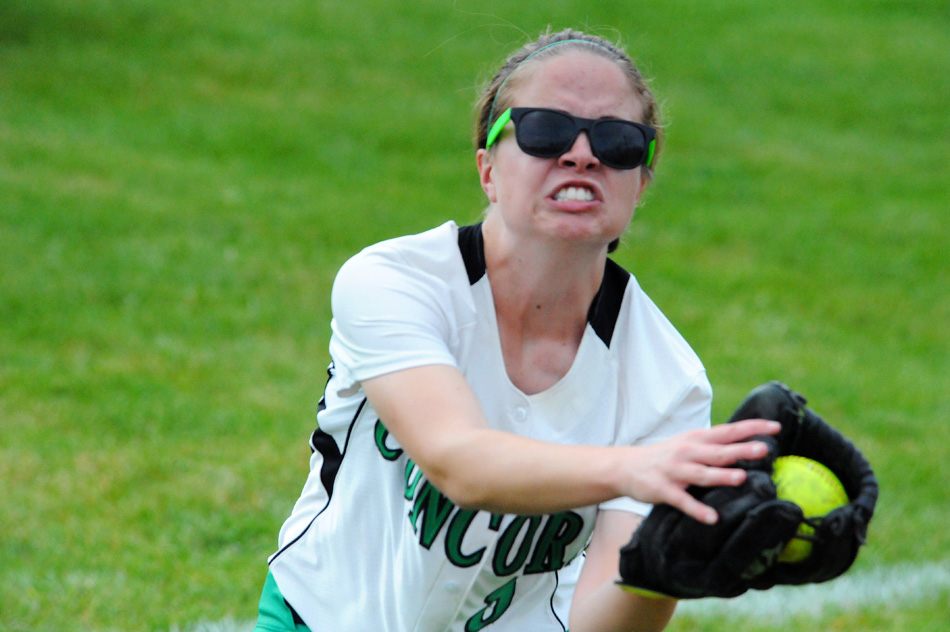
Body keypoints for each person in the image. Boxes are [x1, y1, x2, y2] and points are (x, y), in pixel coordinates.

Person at [254, 28, 779, 632]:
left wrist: (665, 566)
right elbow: (460, 463)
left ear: (641, 183)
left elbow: (599, 625)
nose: (581, 155)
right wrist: (634, 470)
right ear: (488, 169)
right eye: (544, 130)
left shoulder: (668, 381)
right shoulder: (394, 282)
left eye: (617, 141)